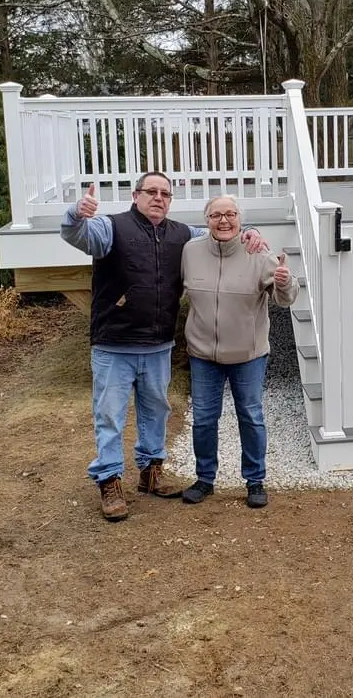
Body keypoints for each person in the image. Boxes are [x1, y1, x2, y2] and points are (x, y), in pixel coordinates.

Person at [61, 172, 266, 522]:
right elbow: (78, 235)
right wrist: (76, 214)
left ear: (170, 200)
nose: (158, 198)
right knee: (109, 415)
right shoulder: (111, 228)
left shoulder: (181, 235)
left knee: (156, 411)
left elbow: (221, 235)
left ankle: (150, 471)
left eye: (165, 193)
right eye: (151, 192)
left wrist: (251, 233)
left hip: (158, 345)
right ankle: (109, 479)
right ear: (136, 195)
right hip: (114, 344)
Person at [179, 194, 298, 509]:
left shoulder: (257, 253)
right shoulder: (190, 251)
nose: (223, 220)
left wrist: (285, 282)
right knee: (204, 419)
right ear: (206, 221)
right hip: (203, 355)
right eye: (216, 214)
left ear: (240, 220)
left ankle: (255, 480)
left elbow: (285, 298)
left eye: (230, 214)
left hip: (248, 355)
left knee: (251, 416)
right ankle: (205, 479)